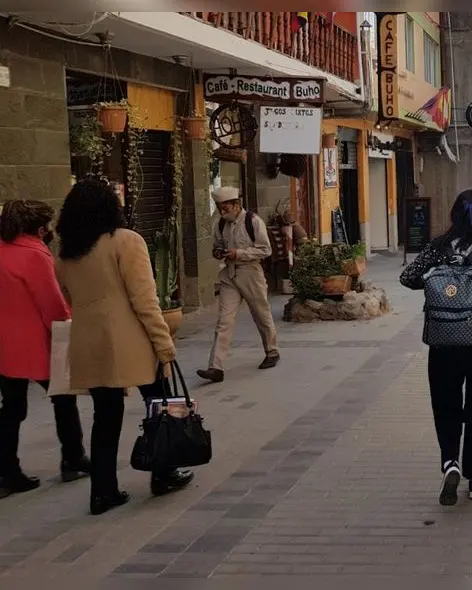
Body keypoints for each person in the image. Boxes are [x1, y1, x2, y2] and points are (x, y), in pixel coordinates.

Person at [55, 179, 193, 515]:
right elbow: (145, 301)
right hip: (131, 340)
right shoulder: (126, 241)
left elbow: (70, 298)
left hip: (88, 342)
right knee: (161, 401)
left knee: (105, 415)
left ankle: (103, 492)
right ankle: (164, 471)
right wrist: (165, 345)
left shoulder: (66, 253)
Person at [400, 189, 472, 506]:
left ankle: (451, 460)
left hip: (442, 339)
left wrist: (439, 278)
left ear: (454, 215)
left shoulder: (438, 247)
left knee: (446, 403)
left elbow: (407, 277)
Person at [0, 200, 89, 498]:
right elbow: (51, 303)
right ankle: (72, 459)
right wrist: (68, 324)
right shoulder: (35, 255)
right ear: (40, 228)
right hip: (37, 343)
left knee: (12, 409)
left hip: (4, 346)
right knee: (63, 398)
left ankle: (6, 472)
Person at [196, 187, 280, 383]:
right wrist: (219, 252)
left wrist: (240, 253)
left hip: (251, 272)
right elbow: (216, 246)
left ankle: (272, 351)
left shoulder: (253, 222)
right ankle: (215, 367)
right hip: (229, 275)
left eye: (225, 207)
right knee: (223, 322)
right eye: (219, 208)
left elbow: (265, 250)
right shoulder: (219, 224)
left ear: (236, 204)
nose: (222, 211)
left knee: (261, 314)